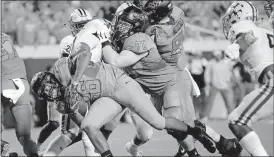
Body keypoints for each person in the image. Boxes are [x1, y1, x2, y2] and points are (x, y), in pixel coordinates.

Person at [30, 8, 214, 157]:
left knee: (151, 129)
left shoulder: (96, 36)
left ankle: (195, 134)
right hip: (103, 94)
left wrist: (75, 83)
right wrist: (71, 105)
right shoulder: (71, 46)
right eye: (46, 91)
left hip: (123, 82)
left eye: (84, 25)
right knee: (88, 128)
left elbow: (91, 57)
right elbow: (79, 111)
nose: (50, 90)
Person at [120, 1, 242, 157]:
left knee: (175, 122)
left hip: (169, 76)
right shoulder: (177, 13)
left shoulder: (152, 33)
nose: (147, 14)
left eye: (150, 12)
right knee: (178, 122)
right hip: (173, 72)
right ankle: (222, 144)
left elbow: (134, 47)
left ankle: (216, 145)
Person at [39, 8, 116, 157]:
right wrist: (68, 90)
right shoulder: (70, 41)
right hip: (79, 87)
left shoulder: (96, 38)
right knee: (75, 131)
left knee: (98, 127)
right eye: (79, 24)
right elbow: (64, 67)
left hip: (95, 87)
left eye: (85, 24)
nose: (82, 28)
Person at [222, 1, 274, 156]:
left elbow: (247, 36)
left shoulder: (245, 26)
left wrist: (237, 46)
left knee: (237, 120)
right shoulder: (266, 30)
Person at [1, 33, 38, 157]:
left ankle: (2, 147)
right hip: (21, 83)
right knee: (24, 136)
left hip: (4, 81)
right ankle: (33, 153)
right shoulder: (6, 37)